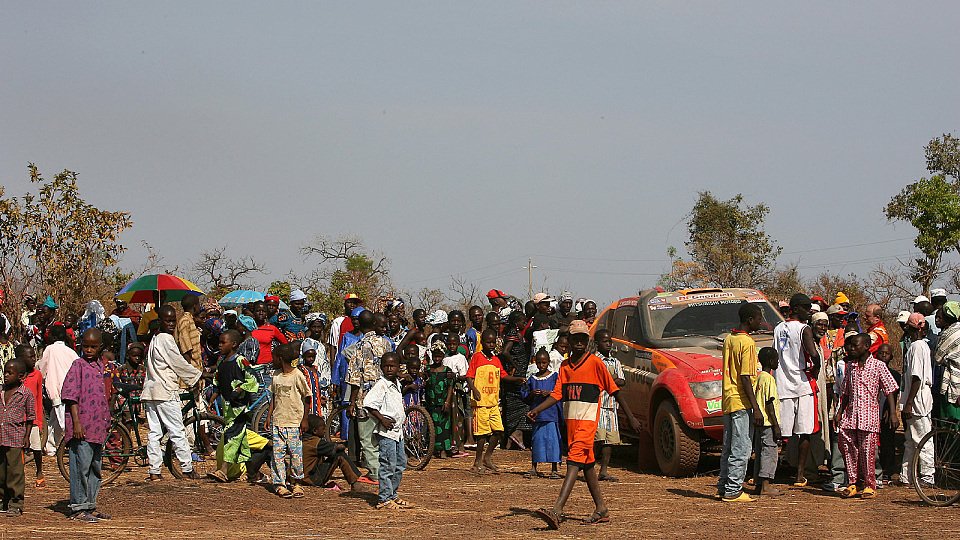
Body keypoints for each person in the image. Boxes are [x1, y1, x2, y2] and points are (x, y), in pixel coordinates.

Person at [527, 320, 641, 529]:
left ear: (588, 341)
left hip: (588, 423)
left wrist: (631, 417)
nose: (579, 342)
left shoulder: (596, 364)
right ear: (568, 341)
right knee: (587, 465)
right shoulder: (564, 366)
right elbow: (557, 394)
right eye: (575, 338)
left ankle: (557, 510)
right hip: (571, 423)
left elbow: (614, 390)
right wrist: (537, 409)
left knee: (573, 461)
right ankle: (601, 508)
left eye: (583, 338)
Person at [141, 305, 203, 481]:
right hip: (165, 391)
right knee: (177, 430)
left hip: (151, 391)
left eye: (173, 321)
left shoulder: (155, 339)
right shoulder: (166, 339)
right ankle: (187, 468)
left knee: (154, 433)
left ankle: (154, 471)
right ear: (160, 321)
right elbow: (178, 363)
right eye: (167, 320)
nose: (171, 324)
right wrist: (198, 375)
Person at [836, 333, 898, 499]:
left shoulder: (878, 366)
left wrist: (893, 413)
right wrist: (840, 411)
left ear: (866, 346)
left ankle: (870, 484)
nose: (852, 348)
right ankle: (853, 483)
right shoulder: (850, 366)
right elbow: (846, 392)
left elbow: (890, 389)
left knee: (867, 452)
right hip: (851, 415)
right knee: (848, 449)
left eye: (856, 345)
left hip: (868, 416)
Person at [207, 330, 272, 484]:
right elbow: (217, 382)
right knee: (241, 442)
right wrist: (213, 398)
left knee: (232, 436)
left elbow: (252, 380)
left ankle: (223, 471)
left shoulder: (240, 361)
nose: (220, 345)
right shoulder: (222, 362)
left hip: (240, 408)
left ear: (234, 344)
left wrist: (240, 388)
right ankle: (255, 472)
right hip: (228, 408)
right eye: (220, 342)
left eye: (223, 342)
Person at [61, 329, 112, 522]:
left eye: (93, 346)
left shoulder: (101, 367)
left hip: (97, 427)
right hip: (81, 427)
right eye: (86, 346)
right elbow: (70, 397)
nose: (89, 350)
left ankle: (90, 505)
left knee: (95, 468)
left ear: (101, 347)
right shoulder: (78, 366)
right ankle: (78, 507)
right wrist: (76, 424)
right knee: (80, 467)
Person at [773, 293, 821, 487]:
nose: (809, 311)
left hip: (782, 384)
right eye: (806, 307)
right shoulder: (804, 329)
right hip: (802, 385)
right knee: (805, 431)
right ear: (796, 308)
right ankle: (800, 475)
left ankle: (768, 472)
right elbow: (813, 354)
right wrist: (816, 369)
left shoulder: (778, 328)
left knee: (778, 433)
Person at [717, 302, 765, 502]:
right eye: (759, 318)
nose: (761, 322)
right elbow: (746, 376)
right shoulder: (747, 343)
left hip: (728, 398)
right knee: (741, 447)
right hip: (741, 400)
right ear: (750, 320)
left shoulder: (729, 339)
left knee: (728, 447)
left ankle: (723, 486)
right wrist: (756, 408)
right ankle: (733, 490)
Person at [467, 329, 525, 475]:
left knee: (499, 431)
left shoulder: (496, 360)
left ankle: (487, 458)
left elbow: (503, 376)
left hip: (493, 402)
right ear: (482, 342)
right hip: (481, 403)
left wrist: (517, 379)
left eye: (493, 342)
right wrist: (474, 389)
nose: (491, 345)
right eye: (488, 342)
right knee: (481, 435)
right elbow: (469, 376)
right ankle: (477, 462)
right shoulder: (477, 358)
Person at [345, 309, 392, 482]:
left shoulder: (359, 347)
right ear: (373, 324)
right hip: (384, 396)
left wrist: (352, 402)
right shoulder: (386, 343)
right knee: (382, 435)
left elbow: (355, 378)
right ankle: (386, 469)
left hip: (365, 398)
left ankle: (374, 472)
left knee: (367, 438)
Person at [362, 352, 412, 510]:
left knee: (400, 464)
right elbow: (368, 403)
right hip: (387, 433)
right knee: (388, 464)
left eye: (392, 366)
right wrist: (381, 419)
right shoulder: (381, 384)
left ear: (398, 367)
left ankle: (392, 494)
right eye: (386, 366)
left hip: (398, 433)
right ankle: (383, 498)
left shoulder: (396, 383)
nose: (389, 368)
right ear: (381, 367)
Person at [269, 343, 311, 499]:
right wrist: (269, 416)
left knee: (295, 455)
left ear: (280, 359)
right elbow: (274, 397)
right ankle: (279, 484)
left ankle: (296, 482)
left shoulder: (297, 375)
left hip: (294, 422)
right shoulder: (276, 375)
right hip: (278, 421)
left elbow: (307, 397)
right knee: (277, 455)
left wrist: (305, 419)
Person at [899, 313, 934, 487]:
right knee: (911, 440)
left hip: (917, 401)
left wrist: (909, 403)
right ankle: (906, 476)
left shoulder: (917, 347)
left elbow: (916, 377)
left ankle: (928, 477)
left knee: (923, 441)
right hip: (915, 400)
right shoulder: (919, 346)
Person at [301, 414, 375, 490]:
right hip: (312, 479)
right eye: (323, 429)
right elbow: (338, 447)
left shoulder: (304, 440)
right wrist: (348, 444)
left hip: (304, 477)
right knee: (340, 455)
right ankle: (355, 482)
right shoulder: (316, 443)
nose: (325, 431)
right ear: (315, 431)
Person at [0, 358, 35, 517]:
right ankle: (2, 500)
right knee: (1, 471)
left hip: (15, 437)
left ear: (21, 376)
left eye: (10, 373)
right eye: (5, 372)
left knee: (15, 471)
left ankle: (16, 502)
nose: (6, 376)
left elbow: (30, 416)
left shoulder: (25, 393)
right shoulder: (0, 390)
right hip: (1, 436)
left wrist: (27, 436)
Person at [37, 324, 76, 457]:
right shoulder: (71, 352)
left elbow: (41, 368)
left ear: (52, 336)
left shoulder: (50, 349)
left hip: (58, 390)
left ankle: (73, 445)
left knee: (63, 422)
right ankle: (50, 446)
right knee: (55, 420)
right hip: (71, 390)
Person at [521, 348, 561, 479]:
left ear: (548, 362)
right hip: (537, 416)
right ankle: (534, 467)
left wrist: (549, 393)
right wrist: (532, 393)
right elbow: (525, 396)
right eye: (539, 363)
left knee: (553, 441)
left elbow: (559, 393)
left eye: (544, 363)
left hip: (551, 415)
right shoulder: (532, 379)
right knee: (537, 441)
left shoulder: (555, 377)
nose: (541, 365)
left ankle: (554, 468)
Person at [593, 329, 625, 482]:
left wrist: (609, 380)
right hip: (597, 405)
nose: (608, 344)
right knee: (597, 439)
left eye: (610, 341)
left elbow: (622, 381)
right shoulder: (594, 360)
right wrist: (612, 380)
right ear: (597, 343)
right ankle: (589, 468)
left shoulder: (615, 361)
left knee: (609, 441)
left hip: (611, 405)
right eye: (605, 341)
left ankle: (603, 471)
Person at [753, 347, 782, 497]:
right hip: (768, 423)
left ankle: (759, 484)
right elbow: (769, 403)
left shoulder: (759, 378)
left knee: (760, 452)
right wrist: (776, 426)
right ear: (771, 361)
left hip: (759, 424)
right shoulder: (769, 379)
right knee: (769, 453)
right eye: (777, 360)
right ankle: (766, 486)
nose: (778, 362)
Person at [17, 345, 44, 489]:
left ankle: (39, 472)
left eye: (34, 356)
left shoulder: (37, 375)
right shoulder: (16, 375)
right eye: (31, 357)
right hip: (18, 420)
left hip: (32, 419)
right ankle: (18, 475)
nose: (34, 359)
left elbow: (39, 399)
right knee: (18, 449)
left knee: (36, 447)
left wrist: (39, 421)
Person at [875, 343, 901, 485]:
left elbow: (894, 395)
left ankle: (888, 471)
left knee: (887, 443)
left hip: (886, 413)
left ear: (891, 356)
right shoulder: (872, 371)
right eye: (881, 353)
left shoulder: (896, 375)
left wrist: (891, 412)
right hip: (873, 411)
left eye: (887, 353)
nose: (884, 355)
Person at [424, 341, 454, 458]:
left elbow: (450, 386)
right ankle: (433, 450)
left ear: (443, 356)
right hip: (431, 402)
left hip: (443, 402)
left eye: (439, 356)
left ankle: (444, 450)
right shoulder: (428, 369)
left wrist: (447, 401)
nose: (437, 359)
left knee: (444, 427)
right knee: (433, 426)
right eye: (435, 356)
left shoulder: (447, 370)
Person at [441, 339, 471, 454]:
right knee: (448, 417)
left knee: (458, 416)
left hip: (457, 390)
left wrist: (455, 376)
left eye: (454, 344)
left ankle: (459, 444)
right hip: (446, 389)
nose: (451, 346)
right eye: (449, 344)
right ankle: (449, 444)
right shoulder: (445, 358)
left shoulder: (461, 358)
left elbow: (465, 375)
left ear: (458, 345)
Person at [935, 301, 960, 422]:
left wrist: (946, 359)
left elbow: (937, 358)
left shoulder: (949, 333)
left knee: (950, 421)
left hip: (954, 383)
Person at [300, 338, 331, 419]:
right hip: (305, 402)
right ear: (303, 356)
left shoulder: (315, 369)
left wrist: (320, 397)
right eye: (309, 357)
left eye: (313, 357)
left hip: (316, 402)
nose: (311, 359)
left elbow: (317, 386)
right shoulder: (301, 370)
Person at [250, 301, 289, 367]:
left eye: (264, 311)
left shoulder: (272, 329)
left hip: (267, 366)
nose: (261, 313)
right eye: (258, 311)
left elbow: (285, 344)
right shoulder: (248, 328)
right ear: (253, 312)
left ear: (266, 313)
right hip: (249, 365)